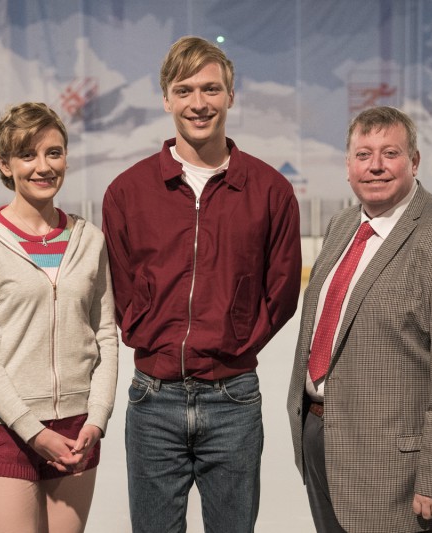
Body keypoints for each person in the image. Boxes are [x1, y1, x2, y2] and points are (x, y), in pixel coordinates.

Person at [102, 36, 302, 533]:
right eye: (184, 90)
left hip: (233, 400)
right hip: (153, 401)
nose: (199, 103)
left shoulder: (270, 190)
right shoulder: (128, 192)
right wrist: (150, 338)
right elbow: (122, 287)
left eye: (211, 89)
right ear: (166, 99)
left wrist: (233, 345)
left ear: (231, 96)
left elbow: (281, 292)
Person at [286, 106, 432, 533]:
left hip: (402, 467)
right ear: (348, 165)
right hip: (326, 444)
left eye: (390, 153)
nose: (375, 166)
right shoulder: (343, 225)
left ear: (414, 161)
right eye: (363, 154)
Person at [0, 102, 118, 533]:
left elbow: (105, 336)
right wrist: (30, 428)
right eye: (28, 155)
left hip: (76, 431)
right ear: (5, 164)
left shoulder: (89, 239)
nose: (43, 167)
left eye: (54, 153)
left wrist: (97, 416)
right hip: (5, 428)